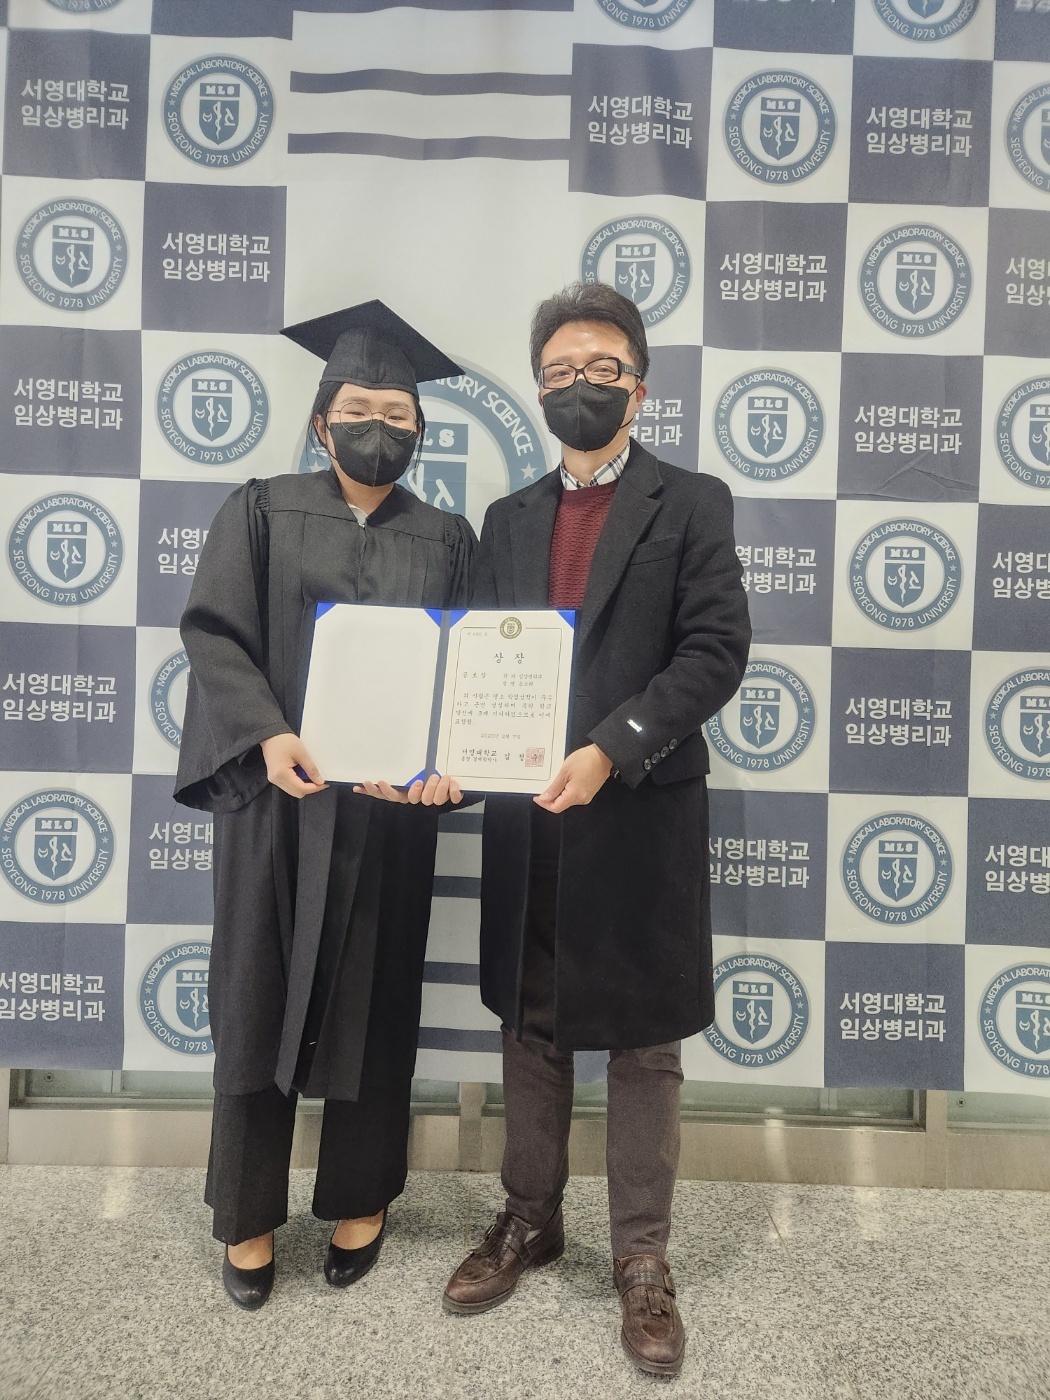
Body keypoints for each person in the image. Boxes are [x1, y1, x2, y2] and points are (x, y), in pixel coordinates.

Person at [442, 282, 751, 1376]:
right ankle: (530, 1217)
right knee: (531, 1024)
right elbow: (478, 658)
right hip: (528, 813)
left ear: (640, 386)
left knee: (643, 1041)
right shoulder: (507, 518)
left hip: (640, 808)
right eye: (561, 371)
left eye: (602, 368)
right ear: (539, 389)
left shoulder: (693, 501)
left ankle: (642, 1256)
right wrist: (454, 755)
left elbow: (714, 651)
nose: (581, 385)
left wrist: (613, 747)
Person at [174, 301, 477, 1310]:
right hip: (278, 805)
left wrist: (447, 765)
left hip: (388, 815)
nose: (377, 426)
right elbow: (214, 632)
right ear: (320, 421)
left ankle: (360, 1196)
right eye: (357, 410)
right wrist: (267, 733)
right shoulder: (260, 509)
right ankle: (247, 1210)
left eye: (397, 413)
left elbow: (474, 670)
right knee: (254, 996)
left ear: (420, 429)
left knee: (376, 1000)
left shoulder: (448, 536)